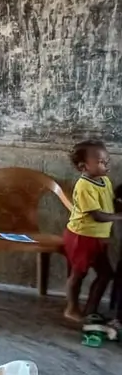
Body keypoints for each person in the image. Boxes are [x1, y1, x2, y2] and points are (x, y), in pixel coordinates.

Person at [63, 140, 122, 333]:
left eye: (107, 160)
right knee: (78, 274)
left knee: (106, 274)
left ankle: (90, 310)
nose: (107, 164)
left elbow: (109, 203)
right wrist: (119, 216)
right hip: (82, 237)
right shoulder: (84, 186)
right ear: (83, 166)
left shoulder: (104, 180)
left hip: (97, 238)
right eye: (101, 161)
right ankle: (71, 308)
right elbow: (97, 215)